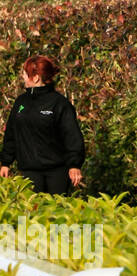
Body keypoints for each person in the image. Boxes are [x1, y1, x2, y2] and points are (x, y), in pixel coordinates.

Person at [0, 56, 85, 195]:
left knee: (56, 213)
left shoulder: (59, 103)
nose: (23, 77)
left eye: (25, 74)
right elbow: (11, 133)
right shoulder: (20, 103)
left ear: (36, 78)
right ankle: (22, 219)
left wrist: (74, 165)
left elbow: (72, 136)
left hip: (57, 172)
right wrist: (5, 162)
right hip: (29, 171)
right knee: (26, 214)